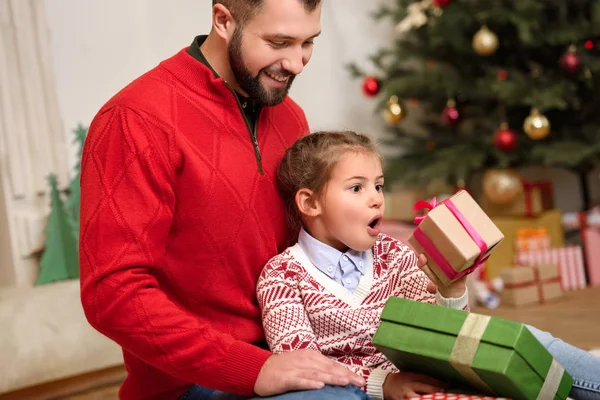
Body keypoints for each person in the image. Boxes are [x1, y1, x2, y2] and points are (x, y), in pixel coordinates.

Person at [79, 1, 366, 399]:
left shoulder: (289, 117)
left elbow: (305, 251)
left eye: (308, 43)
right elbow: (112, 295)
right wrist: (252, 367)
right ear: (223, 21)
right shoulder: (135, 119)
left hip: (295, 347)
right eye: (279, 41)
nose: (297, 63)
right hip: (192, 382)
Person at [256, 130, 600, 400]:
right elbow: (304, 367)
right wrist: (381, 383)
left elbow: (443, 340)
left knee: (525, 341)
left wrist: (452, 291)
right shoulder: (281, 276)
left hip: (428, 376)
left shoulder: (395, 253)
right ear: (310, 202)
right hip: (365, 391)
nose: (376, 197)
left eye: (378, 185)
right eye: (357, 188)